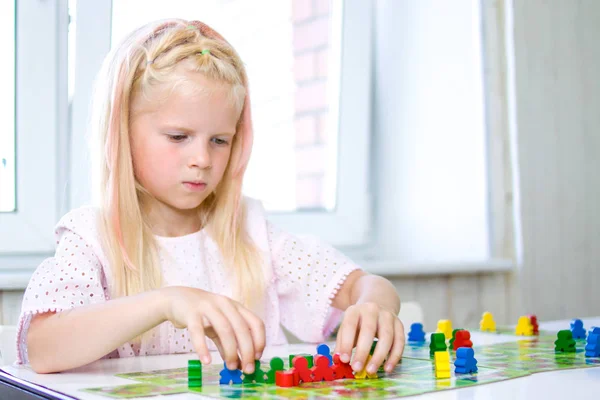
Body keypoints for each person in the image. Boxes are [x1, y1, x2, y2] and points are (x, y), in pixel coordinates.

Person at [16, 18, 404, 376]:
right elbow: (44, 348)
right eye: (178, 137)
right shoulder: (91, 239)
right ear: (122, 133)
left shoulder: (250, 234)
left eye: (220, 141)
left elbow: (365, 286)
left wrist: (374, 307)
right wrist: (166, 301)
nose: (202, 159)